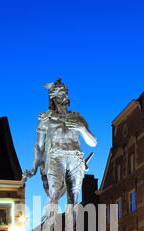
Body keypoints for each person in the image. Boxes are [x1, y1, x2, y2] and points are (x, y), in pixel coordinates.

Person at [23, 78, 97, 220]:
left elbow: (93, 142)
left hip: (76, 158)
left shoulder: (78, 119)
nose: (63, 96)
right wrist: (34, 167)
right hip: (56, 157)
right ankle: (49, 228)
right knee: (54, 192)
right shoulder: (46, 120)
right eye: (60, 93)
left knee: (74, 197)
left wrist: (82, 129)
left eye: (64, 92)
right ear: (53, 98)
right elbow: (39, 145)